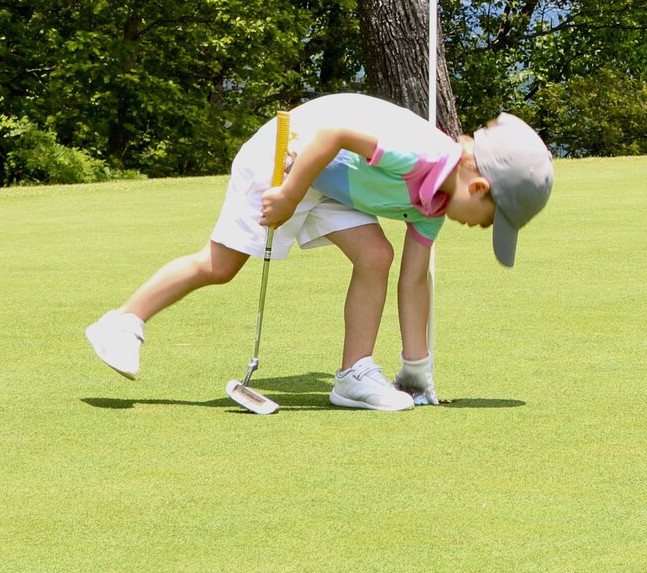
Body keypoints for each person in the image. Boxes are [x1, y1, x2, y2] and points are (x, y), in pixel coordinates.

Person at [83, 94, 553, 410]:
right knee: (221, 265)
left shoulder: (436, 202)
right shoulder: (422, 156)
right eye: (490, 219)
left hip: (329, 186)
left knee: (377, 257)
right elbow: (333, 135)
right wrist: (288, 193)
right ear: (480, 186)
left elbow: (414, 281)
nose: (481, 227)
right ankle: (123, 322)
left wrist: (416, 370)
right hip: (287, 158)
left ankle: (354, 375)